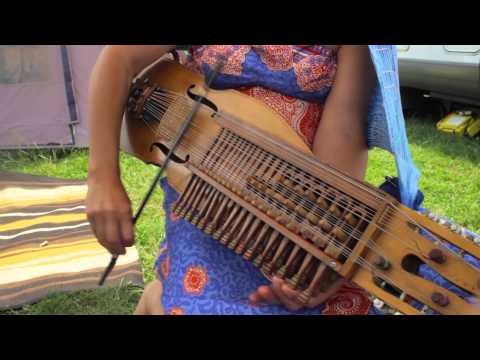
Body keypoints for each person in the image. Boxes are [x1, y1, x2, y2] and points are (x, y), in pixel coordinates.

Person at [86, 45, 407, 315]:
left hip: (293, 201)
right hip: (207, 197)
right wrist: (102, 179)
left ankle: (157, 298)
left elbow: (346, 125)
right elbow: (118, 59)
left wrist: (323, 241)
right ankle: (162, 296)